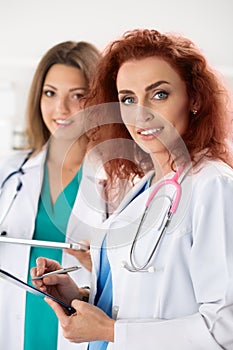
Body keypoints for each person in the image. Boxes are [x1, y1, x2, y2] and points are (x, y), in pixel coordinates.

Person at [32, 29, 233, 350]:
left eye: (159, 94)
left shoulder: (213, 185)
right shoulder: (145, 186)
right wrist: (79, 297)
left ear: (194, 98)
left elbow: (225, 327)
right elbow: (137, 295)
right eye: (128, 99)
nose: (141, 113)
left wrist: (112, 331)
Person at [0, 40, 105, 350]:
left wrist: (99, 258)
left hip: (80, 328)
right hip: (14, 325)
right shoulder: (11, 170)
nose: (61, 109)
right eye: (50, 93)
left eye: (78, 96)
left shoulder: (119, 179)